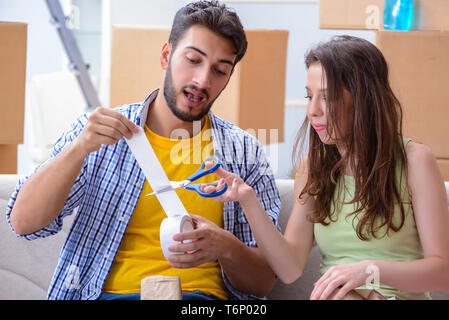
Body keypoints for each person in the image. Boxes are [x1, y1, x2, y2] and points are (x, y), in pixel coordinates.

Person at [6, 0, 280, 300]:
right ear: (166, 55)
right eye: (192, 59)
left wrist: (226, 247)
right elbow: (24, 224)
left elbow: (263, 283)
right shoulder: (96, 133)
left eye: (220, 70)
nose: (202, 80)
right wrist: (78, 149)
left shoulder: (244, 152)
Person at [203, 35, 449, 300]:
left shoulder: (415, 161)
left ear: (364, 98)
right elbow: (289, 268)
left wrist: (369, 272)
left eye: (327, 97)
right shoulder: (312, 168)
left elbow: (442, 272)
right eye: (309, 96)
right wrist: (247, 199)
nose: (313, 110)